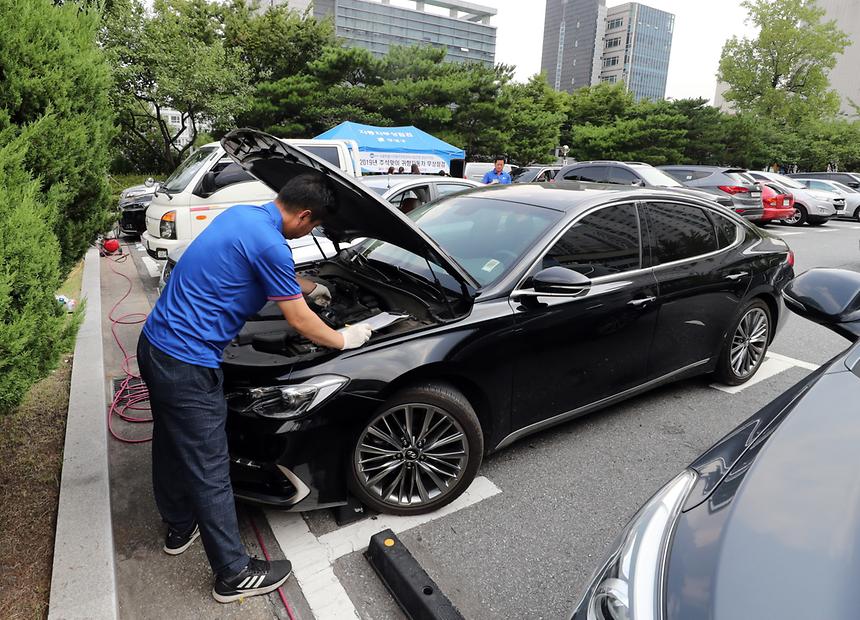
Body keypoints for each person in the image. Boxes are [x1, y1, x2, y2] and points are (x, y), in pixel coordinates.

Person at [136, 174, 372, 604]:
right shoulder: (271, 244)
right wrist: (345, 338)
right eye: (315, 226)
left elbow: (264, 272)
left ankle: (178, 524)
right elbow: (299, 322)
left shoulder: (244, 217)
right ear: (303, 216)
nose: (313, 232)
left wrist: (312, 288)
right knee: (210, 467)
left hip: (155, 343)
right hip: (188, 362)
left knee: (171, 440)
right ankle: (233, 573)